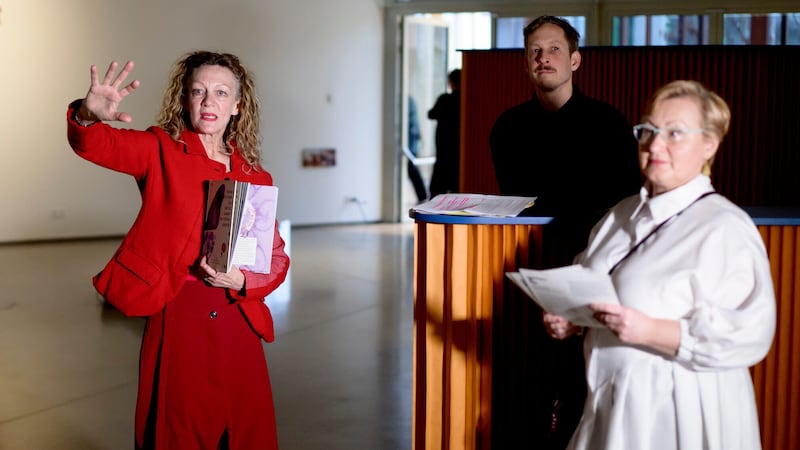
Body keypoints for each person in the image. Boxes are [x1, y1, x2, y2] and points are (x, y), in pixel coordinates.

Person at [66, 51, 290, 450]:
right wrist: (88, 115)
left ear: (238, 105)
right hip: (178, 315)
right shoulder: (159, 149)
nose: (209, 102)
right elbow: (98, 145)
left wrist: (243, 280)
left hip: (238, 320)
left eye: (221, 93)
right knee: (177, 429)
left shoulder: (253, 174)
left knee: (242, 430)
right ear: (184, 99)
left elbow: (275, 258)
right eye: (198, 91)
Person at [544, 80, 776, 450]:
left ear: (709, 145)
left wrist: (650, 330)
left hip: (680, 412)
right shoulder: (619, 215)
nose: (655, 145)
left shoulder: (724, 227)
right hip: (610, 405)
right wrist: (571, 318)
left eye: (675, 133)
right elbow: (589, 280)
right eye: (648, 130)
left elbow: (750, 333)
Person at [488, 16, 641, 449]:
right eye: (535, 51)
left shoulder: (609, 124)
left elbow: (622, 206)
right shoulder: (508, 127)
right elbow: (523, 205)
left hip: (594, 267)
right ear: (526, 64)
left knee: (587, 387)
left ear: (575, 60)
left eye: (554, 48)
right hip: (530, 268)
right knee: (528, 387)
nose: (543, 57)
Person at [428, 68, 461, 197]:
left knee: (437, 189)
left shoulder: (445, 99)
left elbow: (431, 114)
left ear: (451, 83)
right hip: (460, 153)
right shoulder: (468, 100)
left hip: (444, 149)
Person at [406, 96, 428, 202]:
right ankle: (422, 196)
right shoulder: (410, 100)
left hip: (410, 141)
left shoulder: (407, 101)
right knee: (411, 169)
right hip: (412, 140)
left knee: (411, 168)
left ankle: (422, 196)